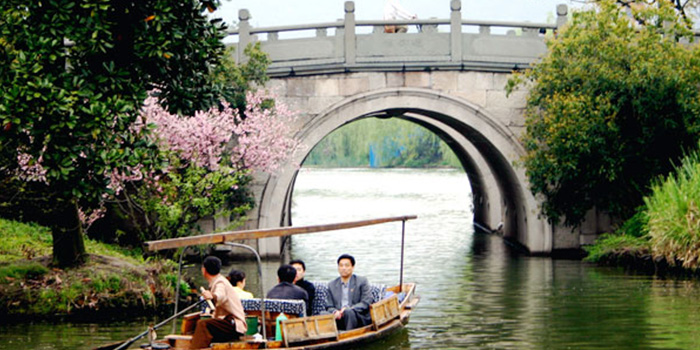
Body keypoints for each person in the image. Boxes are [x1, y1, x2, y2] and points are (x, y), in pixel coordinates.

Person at [190, 256, 247, 349]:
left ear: (204, 270)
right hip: (227, 323)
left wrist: (212, 296)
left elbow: (220, 295)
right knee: (199, 325)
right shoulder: (217, 282)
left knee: (202, 324)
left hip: (234, 324)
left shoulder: (220, 282)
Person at [324, 254, 373, 330]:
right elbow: (328, 306)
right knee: (322, 314)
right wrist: (335, 312)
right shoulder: (332, 284)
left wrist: (349, 308)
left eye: (347, 266)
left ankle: (349, 336)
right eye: (341, 266)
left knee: (348, 312)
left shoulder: (362, 281)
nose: (343, 268)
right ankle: (328, 337)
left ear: (352, 267)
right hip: (339, 316)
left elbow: (366, 302)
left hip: (356, 316)